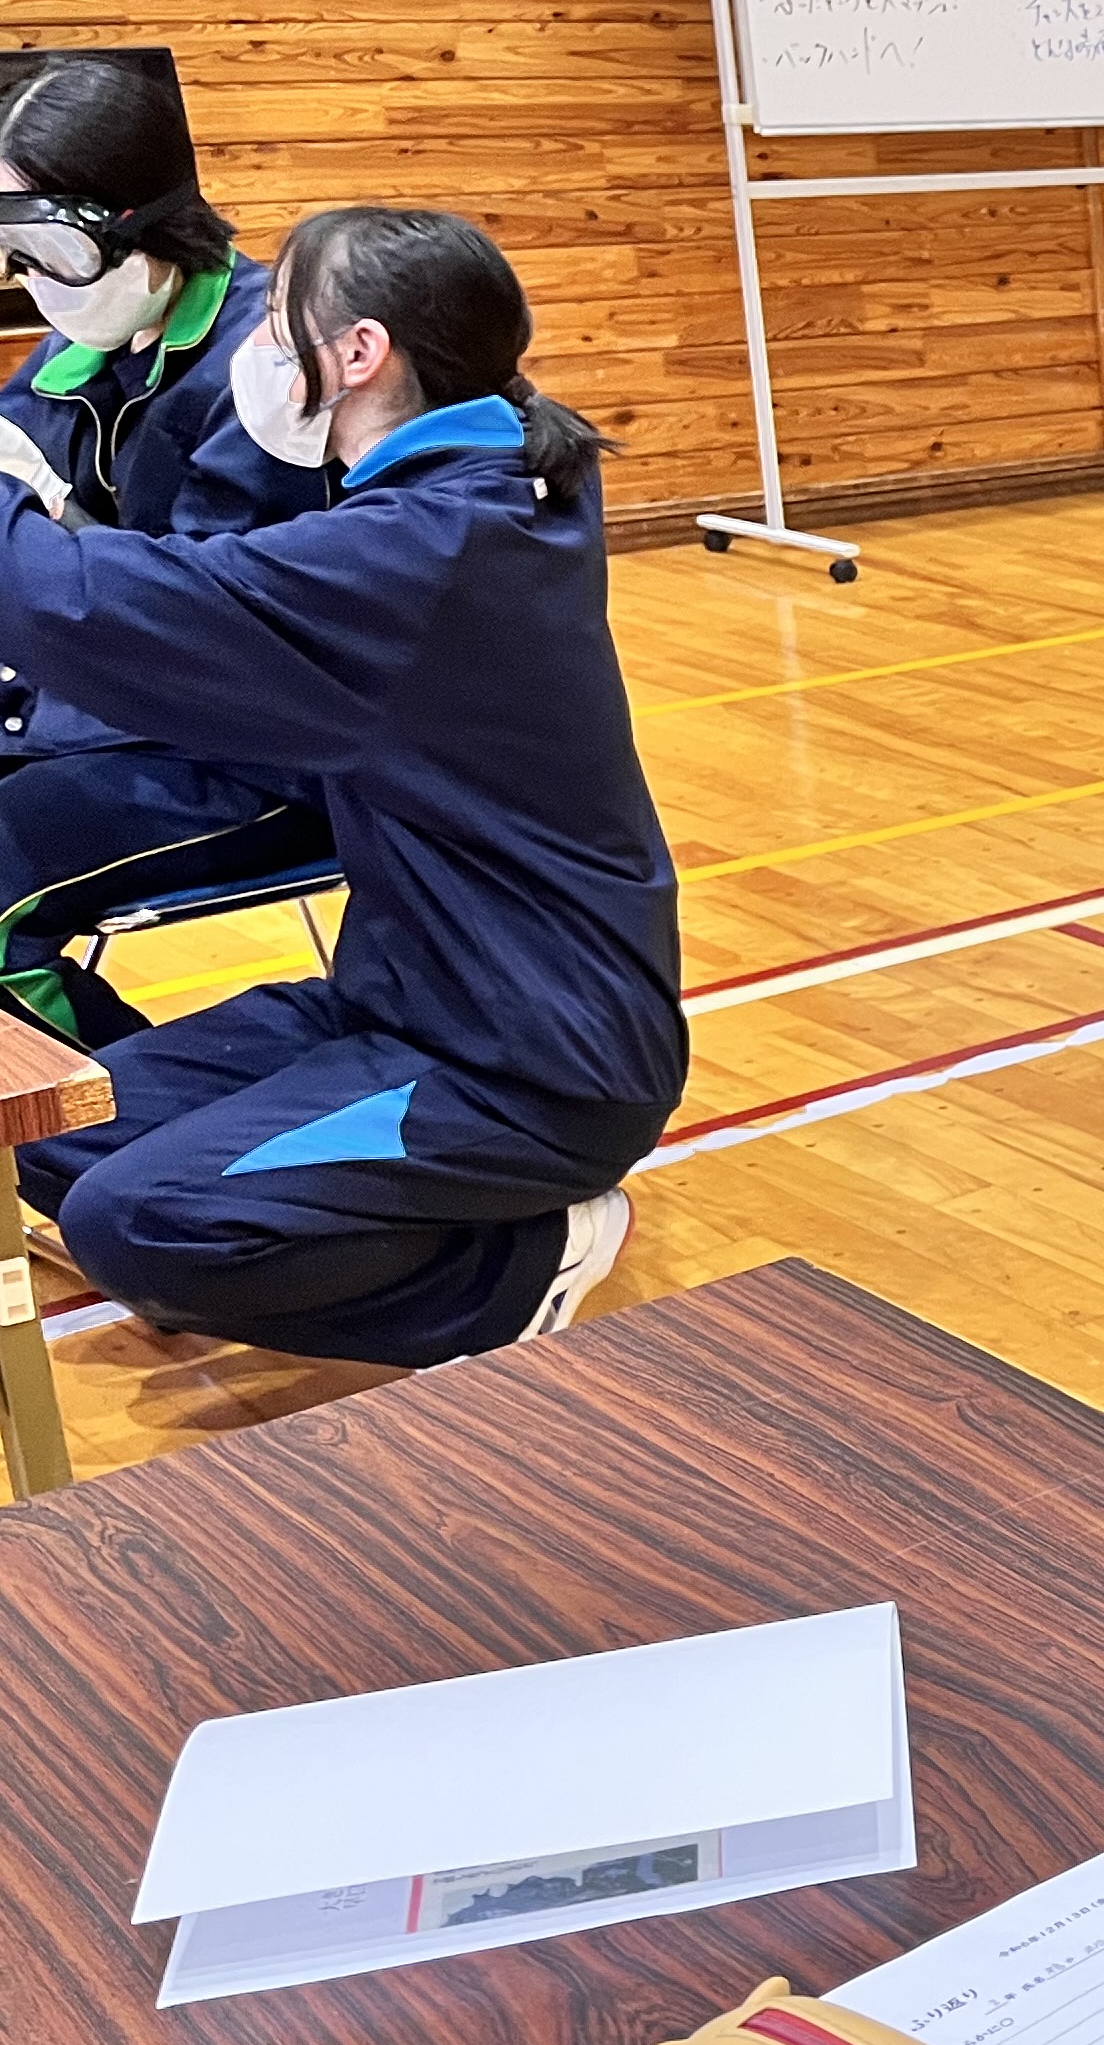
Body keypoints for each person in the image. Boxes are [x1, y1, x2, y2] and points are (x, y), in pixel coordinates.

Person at [0, 207, 683, 1365]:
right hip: (398, 999)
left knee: (142, 1227)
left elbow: (92, 611)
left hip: (529, 1056)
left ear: (359, 355)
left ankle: (523, 1264)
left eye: (278, 325)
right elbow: (215, 582)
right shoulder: (483, 466)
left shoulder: (430, 548)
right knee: (58, 1139)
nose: (260, 354)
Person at [0, 51, 335, 1045]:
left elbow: (184, 633)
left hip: (262, 752)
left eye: (49, 249)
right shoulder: (80, 348)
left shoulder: (270, 369)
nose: (33, 286)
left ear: (145, 217)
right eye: (11, 252)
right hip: (108, 710)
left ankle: (114, 1139)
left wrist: (48, 530)